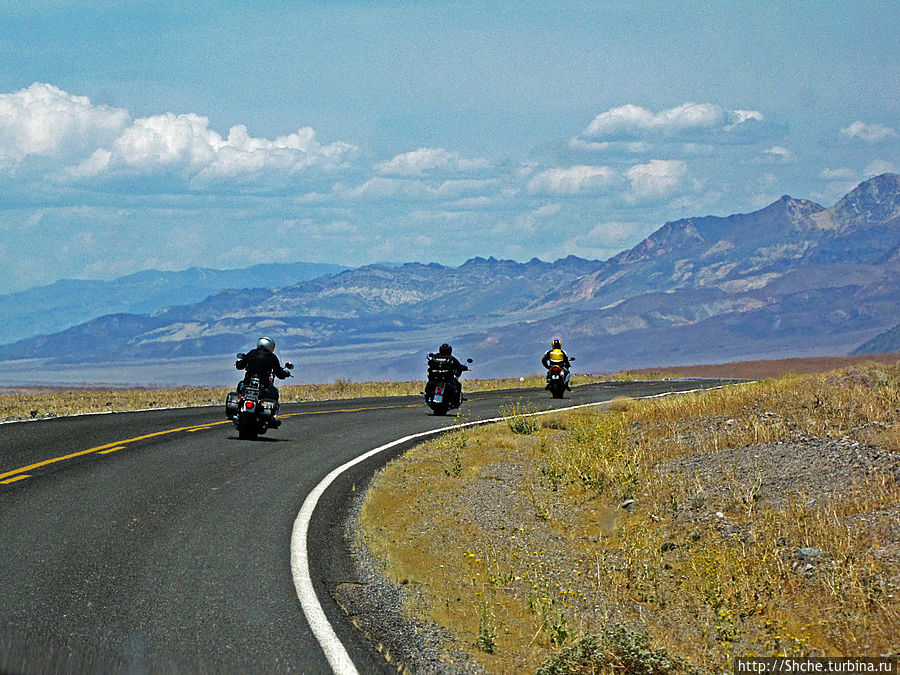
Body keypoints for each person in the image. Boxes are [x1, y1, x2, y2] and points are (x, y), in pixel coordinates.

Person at [235, 337, 292, 425]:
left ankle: (237, 410)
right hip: (263, 386)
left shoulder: (251, 353)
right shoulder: (272, 357)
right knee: (274, 393)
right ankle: (272, 417)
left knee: (240, 388)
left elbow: (240, 366)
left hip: (247, 384)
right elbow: (279, 373)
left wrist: (239, 363)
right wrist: (285, 374)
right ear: (271, 346)